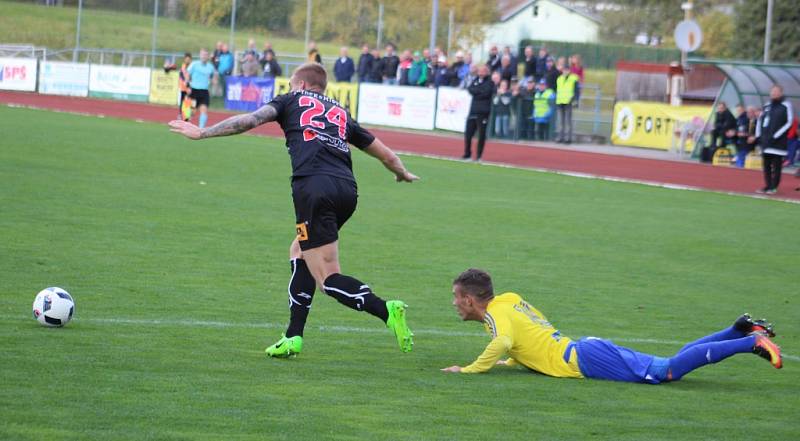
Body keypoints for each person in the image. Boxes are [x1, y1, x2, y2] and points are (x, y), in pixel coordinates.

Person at [168, 63, 418, 358]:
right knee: (299, 251)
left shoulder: (291, 100)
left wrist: (204, 133)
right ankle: (293, 336)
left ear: (299, 85)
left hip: (313, 188)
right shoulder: (340, 114)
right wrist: (401, 173)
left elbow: (250, 120)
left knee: (327, 278)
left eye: (290, 85)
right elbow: (387, 154)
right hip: (347, 192)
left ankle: (386, 310)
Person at [441, 269, 783, 380]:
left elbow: (503, 340)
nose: (455, 303)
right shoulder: (509, 300)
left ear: (470, 300)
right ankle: (737, 329)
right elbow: (533, 329)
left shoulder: (494, 317)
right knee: (666, 363)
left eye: (457, 297)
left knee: (664, 371)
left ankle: (749, 343)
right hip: (583, 348)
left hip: (583, 358)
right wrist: (515, 360)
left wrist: (471, 370)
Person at [756, 84, 794, 194]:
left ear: (781, 93)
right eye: (772, 91)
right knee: (766, 165)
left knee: (777, 166)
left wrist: (776, 135)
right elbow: (760, 120)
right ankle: (767, 185)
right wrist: (759, 135)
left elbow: (789, 122)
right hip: (765, 141)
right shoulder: (767, 105)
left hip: (778, 142)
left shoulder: (786, 105)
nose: (774, 93)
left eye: (777, 91)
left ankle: (774, 186)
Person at [463, 65, 494, 161]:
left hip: (483, 112)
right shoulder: (475, 80)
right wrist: (478, 91)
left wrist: (477, 92)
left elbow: (486, 93)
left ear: (486, 72)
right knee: (468, 133)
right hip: (473, 111)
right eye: (479, 71)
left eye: (483, 71)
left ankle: (479, 156)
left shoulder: (490, 82)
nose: (480, 73)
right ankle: (467, 154)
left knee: (481, 135)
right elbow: (470, 89)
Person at [186, 48, 218, 128]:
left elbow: (213, 78)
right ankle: (185, 125)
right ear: (200, 55)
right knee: (192, 112)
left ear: (208, 57)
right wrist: (188, 86)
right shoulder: (194, 64)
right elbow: (187, 74)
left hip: (204, 92)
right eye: (202, 54)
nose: (204, 56)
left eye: (206, 55)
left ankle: (201, 130)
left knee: (204, 111)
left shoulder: (210, 67)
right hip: (194, 90)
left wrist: (214, 81)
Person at [555, 61, 579, 143]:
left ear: (569, 70)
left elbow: (576, 90)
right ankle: (561, 137)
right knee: (561, 121)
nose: (565, 71)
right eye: (564, 70)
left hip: (569, 101)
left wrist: (575, 100)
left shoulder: (573, 78)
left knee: (568, 121)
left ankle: (568, 138)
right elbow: (558, 90)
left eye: (567, 70)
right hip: (560, 101)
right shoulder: (559, 78)